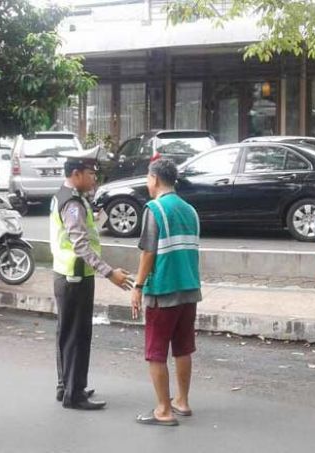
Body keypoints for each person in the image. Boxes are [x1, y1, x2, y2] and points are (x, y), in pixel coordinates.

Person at [50, 149, 133, 410]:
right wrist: (111, 274)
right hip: (76, 276)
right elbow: (81, 246)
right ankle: (75, 394)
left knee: (66, 332)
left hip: (66, 275)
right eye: (90, 173)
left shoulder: (67, 196)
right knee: (77, 334)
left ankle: (66, 385)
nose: (94, 178)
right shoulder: (72, 203)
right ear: (75, 175)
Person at [131, 159, 202, 427]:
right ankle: (182, 401)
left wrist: (138, 286)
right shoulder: (190, 210)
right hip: (189, 289)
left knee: (156, 351)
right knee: (183, 348)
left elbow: (149, 252)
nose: (147, 183)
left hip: (163, 290)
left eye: (148, 179)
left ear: (155, 179)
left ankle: (163, 409)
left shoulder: (155, 209)